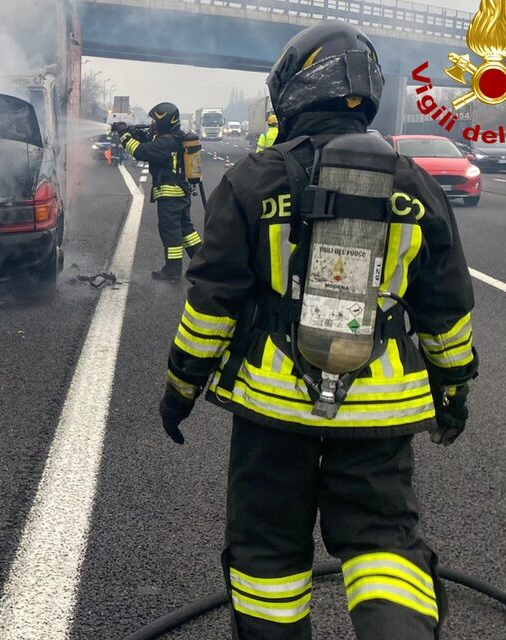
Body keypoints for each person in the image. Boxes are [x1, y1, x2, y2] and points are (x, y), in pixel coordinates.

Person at [156, 22, 478, 640]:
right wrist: (454, 393)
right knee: (385, 548)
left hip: (272, 412)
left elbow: (211, 308)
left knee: (268, 560)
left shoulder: (253, 181)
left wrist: (180, 388)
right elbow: (447, 312)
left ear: (293, 89)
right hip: (377, 418)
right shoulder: (414, 184)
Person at [114, 103, 202, 280]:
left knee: (170, 231)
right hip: (180, 193)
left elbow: (140, 152)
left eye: (155, 121)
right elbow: (151, 145)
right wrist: (139, 135)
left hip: (170, 195)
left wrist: (124, 135)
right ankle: (203, 264)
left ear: (165, 121)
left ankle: (173, 270)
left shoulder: (166, 142)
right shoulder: (175, 137)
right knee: (186, 230)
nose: (153, 124)